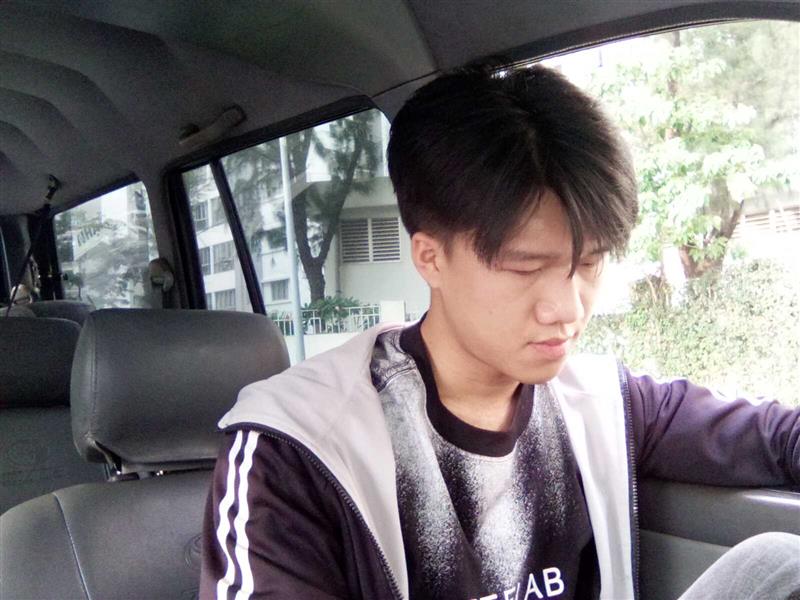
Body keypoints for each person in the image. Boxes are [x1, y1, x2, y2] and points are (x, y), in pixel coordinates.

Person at [199, 65, 800, 600]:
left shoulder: (601, 403)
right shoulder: (297, 447)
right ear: (430, 258)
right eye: (524, 268)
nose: (567, 308)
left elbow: (776, 437)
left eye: (589, 263)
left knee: (777, 561)